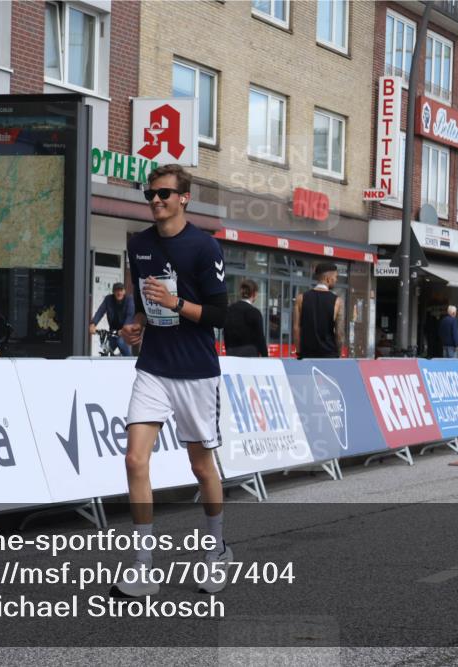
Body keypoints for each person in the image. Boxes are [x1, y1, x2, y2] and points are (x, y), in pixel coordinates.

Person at [117, 164, 230, 597]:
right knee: (134, 460)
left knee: (201, 468)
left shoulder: (204, 248)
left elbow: (219, 316)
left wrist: (177, 302)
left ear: (184, 197)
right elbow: (147, 305)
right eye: (151, 194)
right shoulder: (139, 244)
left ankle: (216, 549)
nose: (156, 200)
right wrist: (137, 323)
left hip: (197, 371)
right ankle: (144, 566)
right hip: (153, 367)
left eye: (164, 193)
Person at [293, 262, 344, 359]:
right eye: (335, 277)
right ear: (328, 279)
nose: (336, 280)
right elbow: (339, 333)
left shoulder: (300, 299)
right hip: (329, 355)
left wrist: (299, 352)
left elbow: (296, 329)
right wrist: (339, 353)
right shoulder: (337, 301)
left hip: (307, 355)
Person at [224, 279, 267, 357]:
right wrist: (265, 356)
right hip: (250, 355)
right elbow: (260, 338)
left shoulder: (229, 310)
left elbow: (226, 333)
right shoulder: (254, 312)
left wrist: (228, 351)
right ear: (254, 294)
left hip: (232, 354)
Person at [89, 282, 135, 356]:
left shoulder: (129, 299)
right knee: (106, 352)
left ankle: (130, 362)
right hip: (113, 332)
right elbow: (100, 311)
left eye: (121, 290)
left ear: (124, 291)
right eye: (117, 290)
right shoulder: (108, 299)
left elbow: (130, 315)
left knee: (121, 342)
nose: (119, 293)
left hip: (126, 331)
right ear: (113, 292)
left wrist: (124, 329)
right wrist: (93, 324)